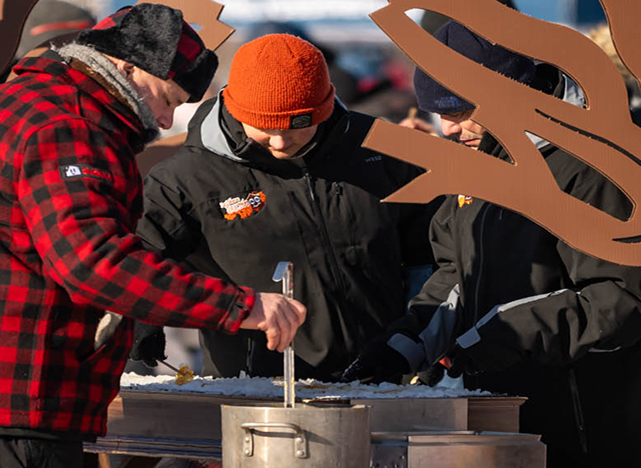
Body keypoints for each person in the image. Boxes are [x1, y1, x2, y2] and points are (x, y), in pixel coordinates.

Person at [0, 6, 306, 467]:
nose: (166, 120)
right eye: (167, 99)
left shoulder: (10, 102)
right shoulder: (71, 125)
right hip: (6, 398)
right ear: (127, 68)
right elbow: (94, 261)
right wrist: (240, 306)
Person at [342, 21, 641, 467]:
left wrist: (504, 332)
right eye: (439, 114)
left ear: (507, 94)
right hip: (517, 422)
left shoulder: (593, 162)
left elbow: (624, 298)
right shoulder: (477, 160)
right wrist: (409, 342)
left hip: (606, 428)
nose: (447, 129)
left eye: (459, 112)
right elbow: (458, 273)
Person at [134, 34, 432, 382]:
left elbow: (432, 256)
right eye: (263, 127)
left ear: (325, 107)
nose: (279, 141)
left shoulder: (379, 151)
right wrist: (141, 318)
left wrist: (416, 338)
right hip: (252, 385)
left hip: (385, 377)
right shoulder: (186, 178)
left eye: (298, 125)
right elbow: (139, 261)